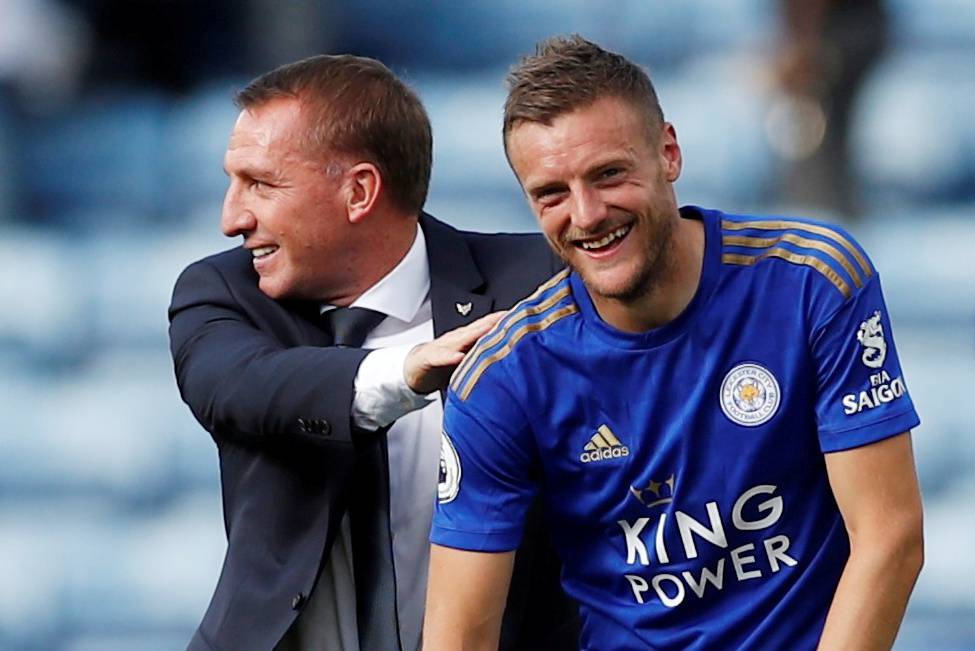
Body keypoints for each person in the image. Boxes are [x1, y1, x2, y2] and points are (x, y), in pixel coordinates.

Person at [425, 35, 923, 650]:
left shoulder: (811, 281)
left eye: (609, 175)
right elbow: (458, 637)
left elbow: (889, 536)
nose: (585, 214)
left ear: (668, 153)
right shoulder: (504, 377)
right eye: (551, 193)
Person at [168, 54, 578, 651]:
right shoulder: (223, 292)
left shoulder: (536, 284)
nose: (232, 217)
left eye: (260, 183)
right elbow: (241, 388)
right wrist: (404, 372)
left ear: (359, 191)